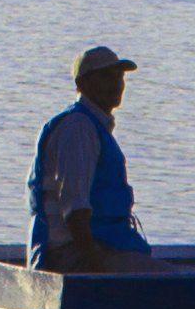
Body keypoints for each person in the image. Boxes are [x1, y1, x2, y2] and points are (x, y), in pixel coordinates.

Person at [29, 44, 154, 271]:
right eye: (106, 76)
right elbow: (75, 209)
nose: (116, 84)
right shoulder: (79, 127)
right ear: (82, 84)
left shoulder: (92, 125)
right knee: (185, 283)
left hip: (99, 249)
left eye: (120, 77)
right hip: (75, 255)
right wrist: (96, 274)